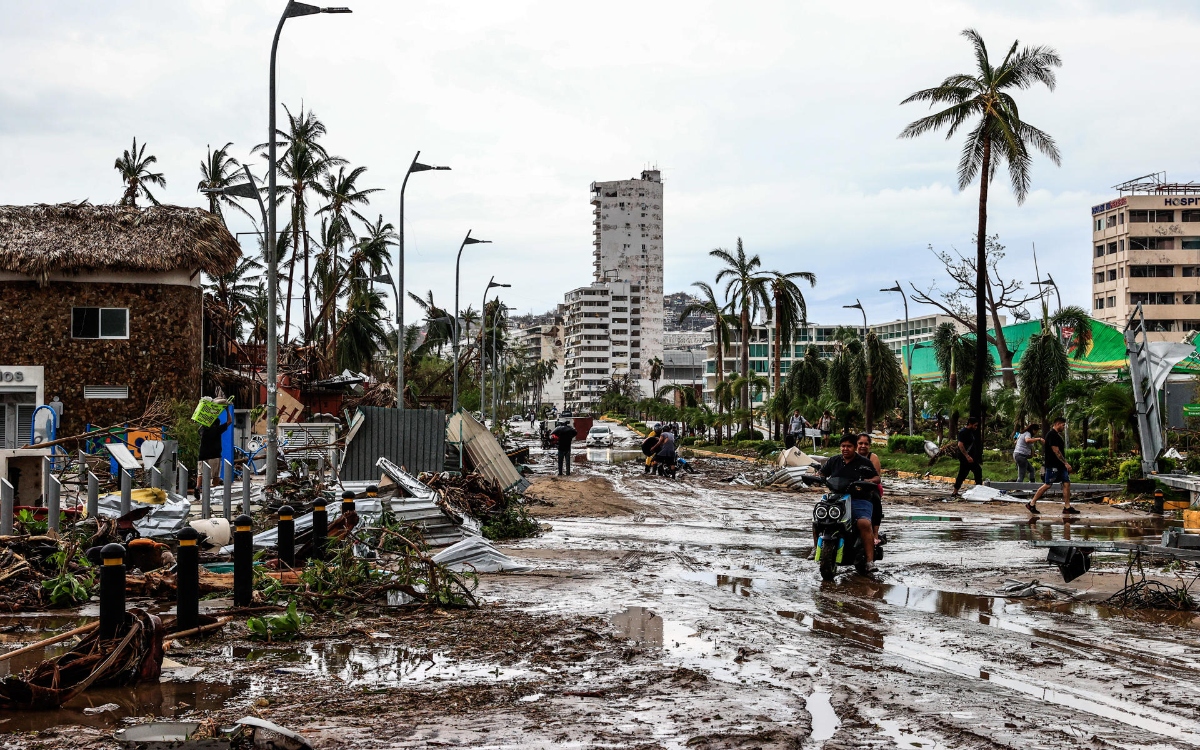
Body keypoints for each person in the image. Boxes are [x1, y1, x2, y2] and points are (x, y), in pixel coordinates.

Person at [812, 434, 881, 572]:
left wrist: (867, 481)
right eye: (843, 446)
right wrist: (817, 478)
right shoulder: (834, 460)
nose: (845, 449)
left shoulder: (864, 462)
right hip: (836, 498)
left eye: (849, 446)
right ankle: (815, 548)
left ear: (854, 447)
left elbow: (876, 478)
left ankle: (869, 561)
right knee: (817, 519)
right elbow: (822, 473)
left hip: (859, 499)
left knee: (864, 523)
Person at [1028, 416, 1076, 515]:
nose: (1064, 427)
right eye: (1063, 425)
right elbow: (1056, 451)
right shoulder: (1052, 435)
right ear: (1057, 424)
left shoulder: (1057, 435)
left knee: (1066, 483)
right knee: (1048, 484)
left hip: (1060, 465)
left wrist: (1063, 464)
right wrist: (1066, 463)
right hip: (1053, 465)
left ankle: (1067, 507)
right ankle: (1031, 503)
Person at [196, 404, 230, 495]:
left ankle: (197, 488)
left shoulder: (203, 430)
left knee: (200, 473)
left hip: (202, 455)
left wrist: (208, 415)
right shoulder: (218, 429)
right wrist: (227, 410)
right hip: (214, 455)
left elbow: (200, 428)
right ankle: (213, 491)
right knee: (215, 475)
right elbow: (229, 421)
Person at [856, 433, 884, 543]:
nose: (863, 446)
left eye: (866, 444)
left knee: (875, 500)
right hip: (851, 486)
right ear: (856, 444)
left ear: (869, 445)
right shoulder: (850, 455)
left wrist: (866, 481)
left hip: (869, 487)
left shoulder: (873, 458)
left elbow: (876, 477)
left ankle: (875, 534)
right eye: (860, 443)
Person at [950, 416, 982, 498]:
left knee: (968, 472)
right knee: (972, 472)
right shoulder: (963, 432)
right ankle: (978, 489)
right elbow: (960, 445)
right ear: (970, 424)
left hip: (970, 457)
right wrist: (967, 456)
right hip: (966, 458)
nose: (976, 427)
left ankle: (955, 492)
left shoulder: (971, 432)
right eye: (975, 425)